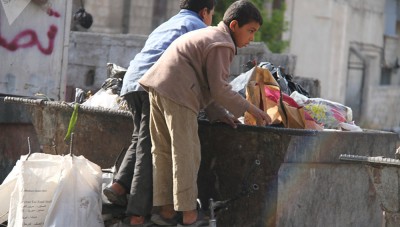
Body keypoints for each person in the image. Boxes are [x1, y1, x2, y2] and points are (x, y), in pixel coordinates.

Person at [138, 1, 271, 226]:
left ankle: (166, 212)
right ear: (235, 25)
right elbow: (219, 88)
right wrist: (253, 110)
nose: (251, 39)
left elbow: (206, 85)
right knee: (187, 153)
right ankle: (189, 216)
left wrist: (218, 112)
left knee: (162, 152)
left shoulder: (209, 35)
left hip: (158, 87)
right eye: (250, 31)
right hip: (178, 93)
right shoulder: (223, 43)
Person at [102, 1, 216, 226]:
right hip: (154, 84)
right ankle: (136, 215)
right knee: (149, 148)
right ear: (205, 12)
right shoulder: (199, 27)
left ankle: (119, 186)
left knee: (140, 139)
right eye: (212, 14)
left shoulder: (168, 24)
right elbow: (205, 74)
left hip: (131, 82)